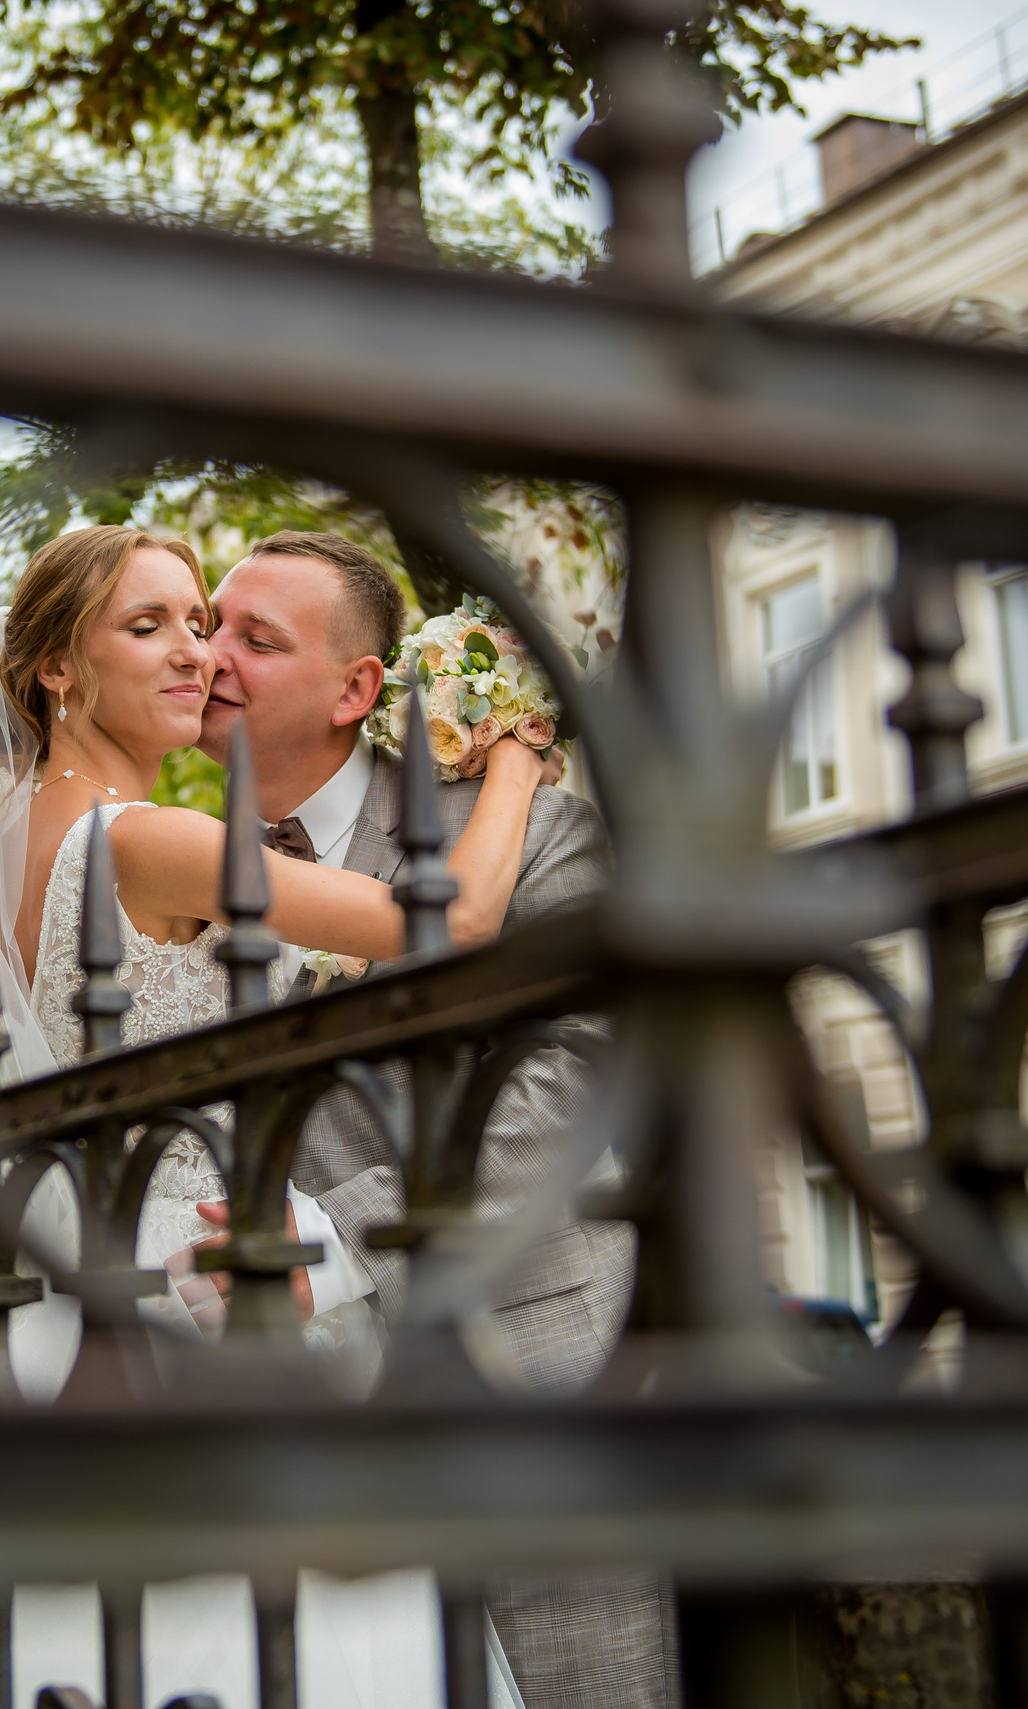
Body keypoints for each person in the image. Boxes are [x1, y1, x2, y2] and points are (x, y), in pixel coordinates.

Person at [0, 523, 548, 1709]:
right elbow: (457, 920)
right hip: (191, 1269)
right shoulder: (148, 837)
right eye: (149, 627)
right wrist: (514, 755)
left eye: (201, 623)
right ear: (54, 668)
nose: (195, 653)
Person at [192, 532, 671, 1709]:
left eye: (257, 638)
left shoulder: (526, 831)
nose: (211, 655)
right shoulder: (185, 878)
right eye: (209, 623)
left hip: (520, 1359)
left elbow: (576, 1079)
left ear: (359, 689)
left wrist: (340, 1237)